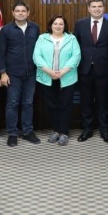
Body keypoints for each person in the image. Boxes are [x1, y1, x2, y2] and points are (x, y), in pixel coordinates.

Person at [73, 0, 108, 143]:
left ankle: (104, 130)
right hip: (84, 70)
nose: (97, 9)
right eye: (94, 6)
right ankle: (87, 129)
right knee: (86, 101)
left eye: (99, 6)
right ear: (89, 8)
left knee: (103, 101)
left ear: (104, 8)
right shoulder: (80, 24)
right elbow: (75, 47)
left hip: (104, 71)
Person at [0, 1, 41, 146]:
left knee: (28, 103)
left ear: (28, 13)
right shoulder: (6, 30)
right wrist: (3, 73)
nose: (20, 13)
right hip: (13, 74)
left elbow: (39, 49)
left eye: (23, 11)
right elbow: (0, 53)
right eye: (17, 11)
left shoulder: (35, 28)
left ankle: (28, 132)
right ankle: (12, 133)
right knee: (12, 104)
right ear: (13, 13)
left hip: (31, 73)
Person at [33, 15, 81, 146]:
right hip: (46, 77)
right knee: (51, 105)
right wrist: (49, 71)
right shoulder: (42, 38)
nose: (58, 26)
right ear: (51, 25)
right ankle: (55, 130)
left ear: (65, 26)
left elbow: (76, 56)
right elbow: (37, 56)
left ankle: (64, 132)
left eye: (61, 24)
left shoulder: (72, 39)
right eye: (55, 23)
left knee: (65, 105)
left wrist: (63, 71)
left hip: (67, 78)